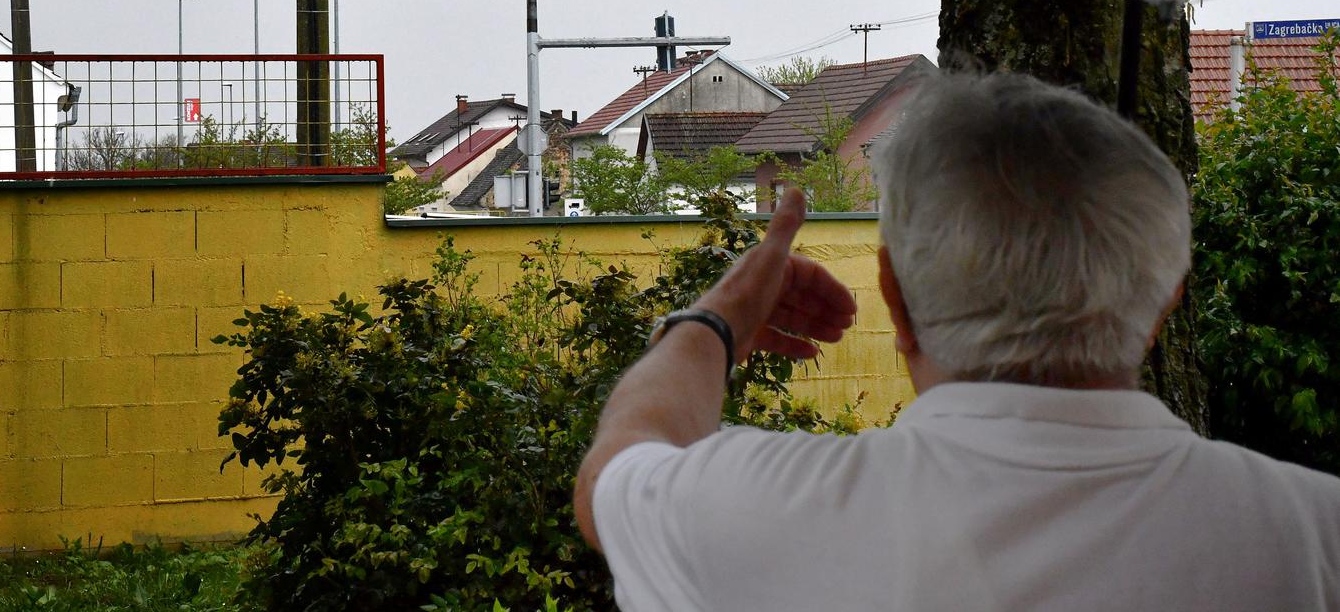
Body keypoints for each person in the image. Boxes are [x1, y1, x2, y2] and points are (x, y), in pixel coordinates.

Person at [574, 72, 1340, 611]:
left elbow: (614, 470)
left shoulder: (759, 512)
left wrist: (716, 318)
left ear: (894, 298)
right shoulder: (1312, 536)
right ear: (1166, 302)